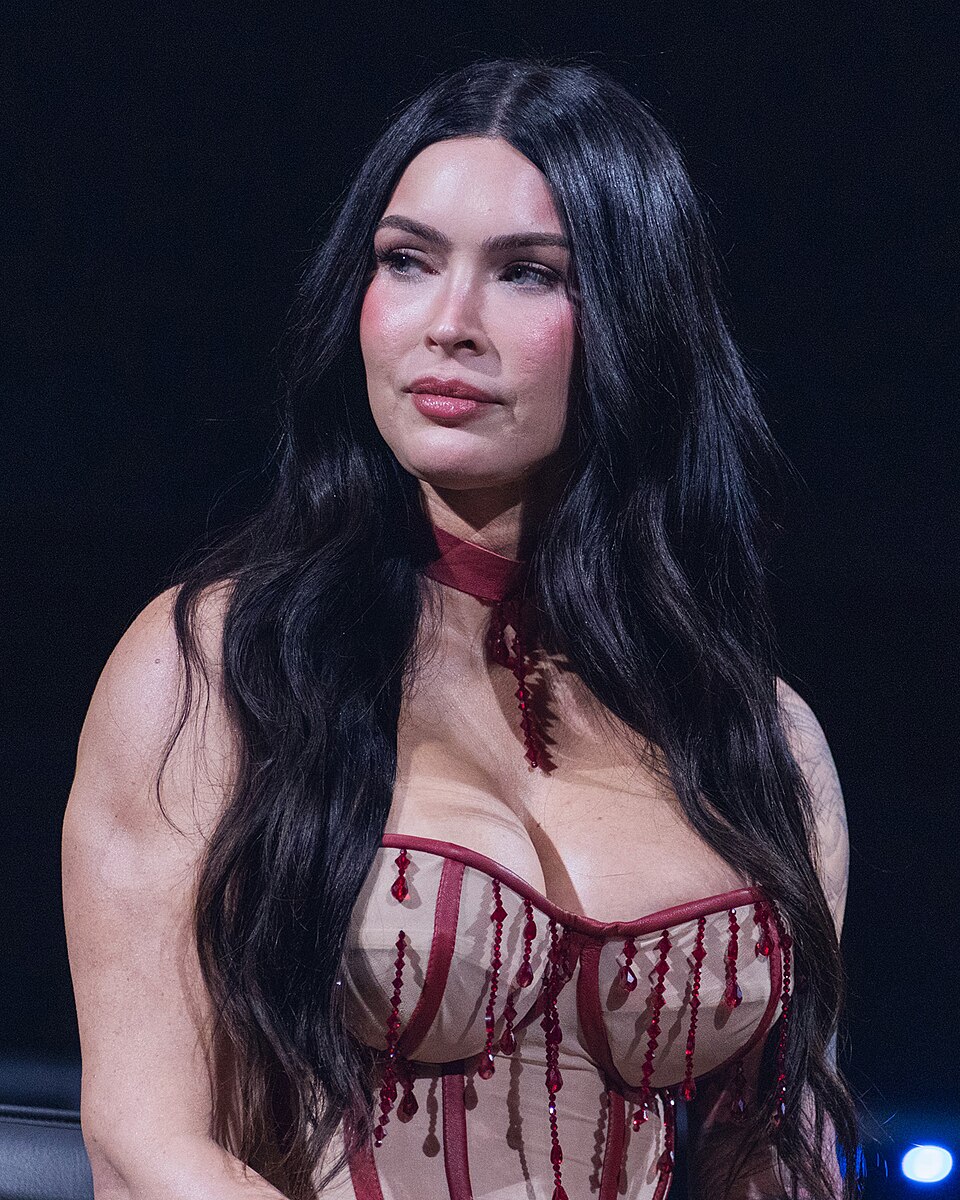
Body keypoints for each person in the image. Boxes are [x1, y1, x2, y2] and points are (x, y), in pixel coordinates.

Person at [61, 58, 859, 1200]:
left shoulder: (763, 740)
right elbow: (143, 1140)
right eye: (407, 261)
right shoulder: (217, 668)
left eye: (528, 273)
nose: (450, 324)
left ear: (635, 316)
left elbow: (774, 1154)